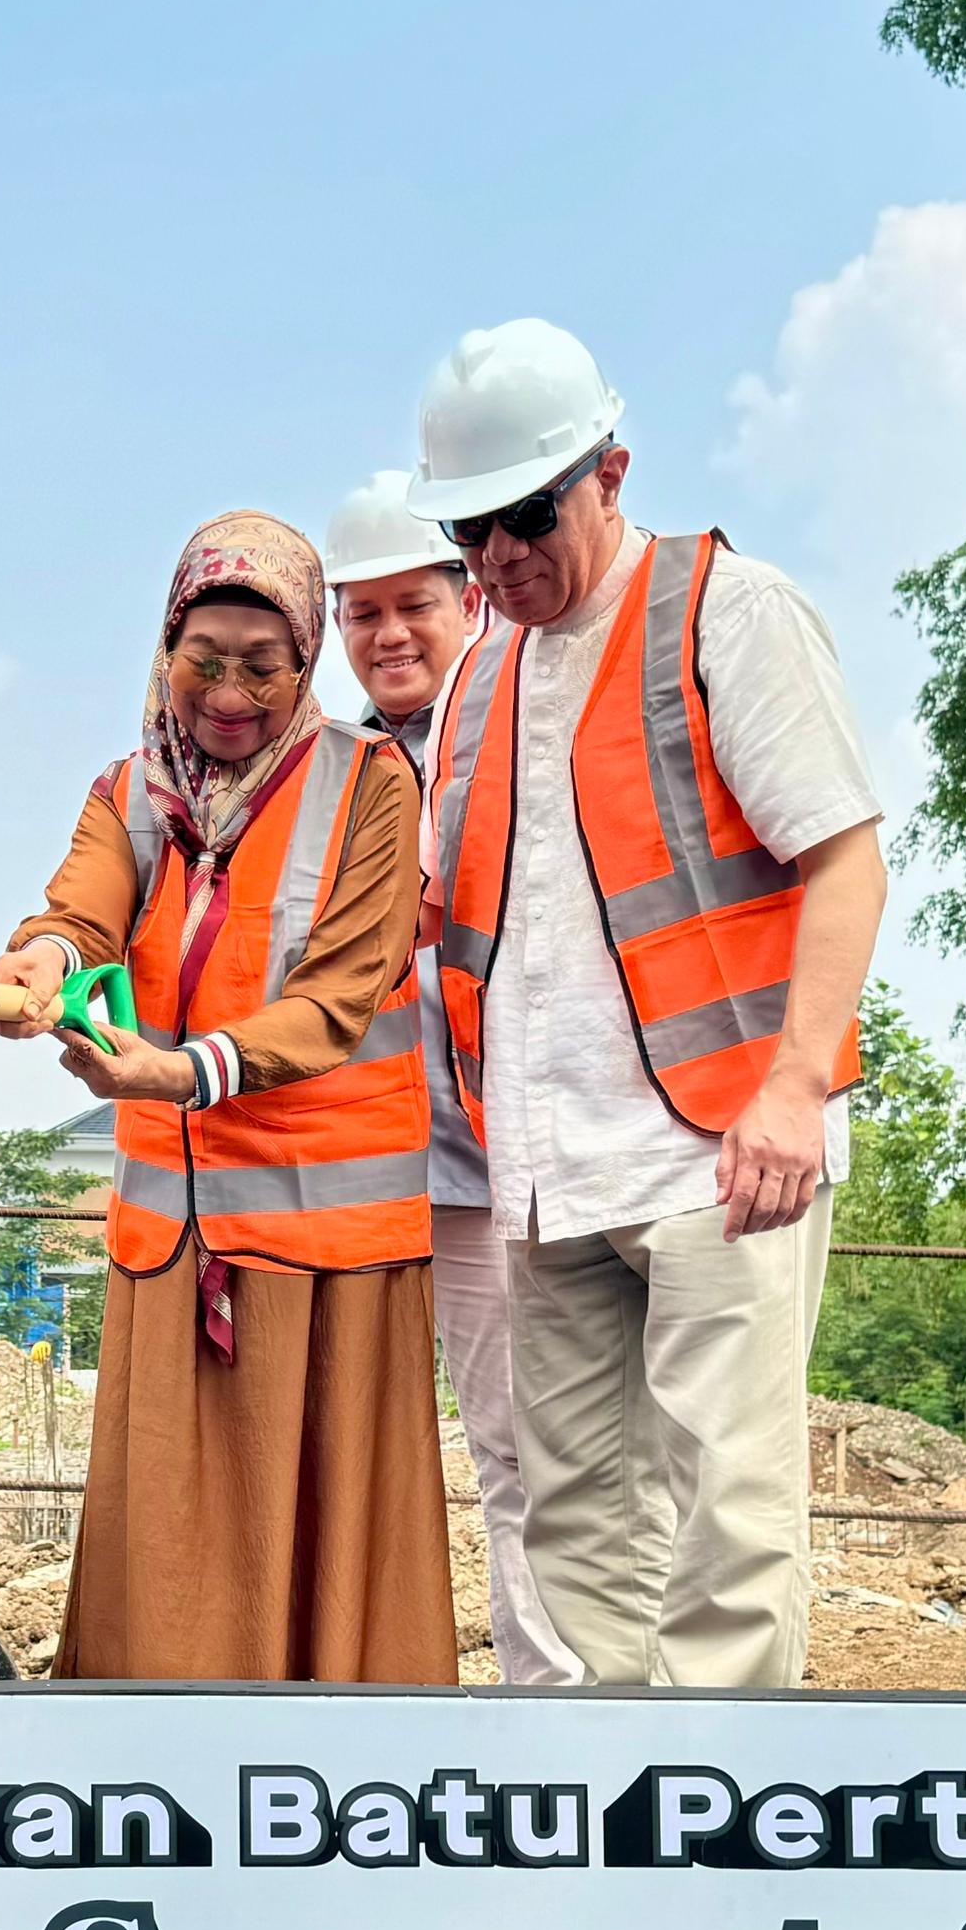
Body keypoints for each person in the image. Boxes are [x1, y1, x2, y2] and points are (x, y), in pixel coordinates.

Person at [412, 320, 888, 1691]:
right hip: (550, 1174)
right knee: (575, 1531)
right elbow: (453, 913)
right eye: (473, 532)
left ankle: (722, 1836)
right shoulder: (481, 675)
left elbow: (844, 858)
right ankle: (622, 1827)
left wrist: (794, 1090)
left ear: (608, 472)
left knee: (727, 1521)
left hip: (718, 1157)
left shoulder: (725, 612)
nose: (499, 559)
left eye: (525, 517)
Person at [0, 510, 451, 1683]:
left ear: (305, 666)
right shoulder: (130, 790)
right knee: (175, 1557)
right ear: (161, 654)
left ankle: (340, 1804)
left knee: (330, 1565)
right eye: (202, 659)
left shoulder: (371, 781)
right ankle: (166, 1796)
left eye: (262, 663)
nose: (228, 692)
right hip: (172, 1249)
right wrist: (36, 963)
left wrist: (183, 1072)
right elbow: (76, 908)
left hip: (328, 1254)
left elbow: (341, 993)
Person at [324, 470, 567, 1686]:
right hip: (357, 1172)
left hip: (488, 1167)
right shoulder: (325, 778)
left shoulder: (524, 735)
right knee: (344, 1457)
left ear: (467, 597)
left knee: (522, 1449)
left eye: (410, 602)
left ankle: (549, 1706)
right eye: (358, 613)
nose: (387, 634)